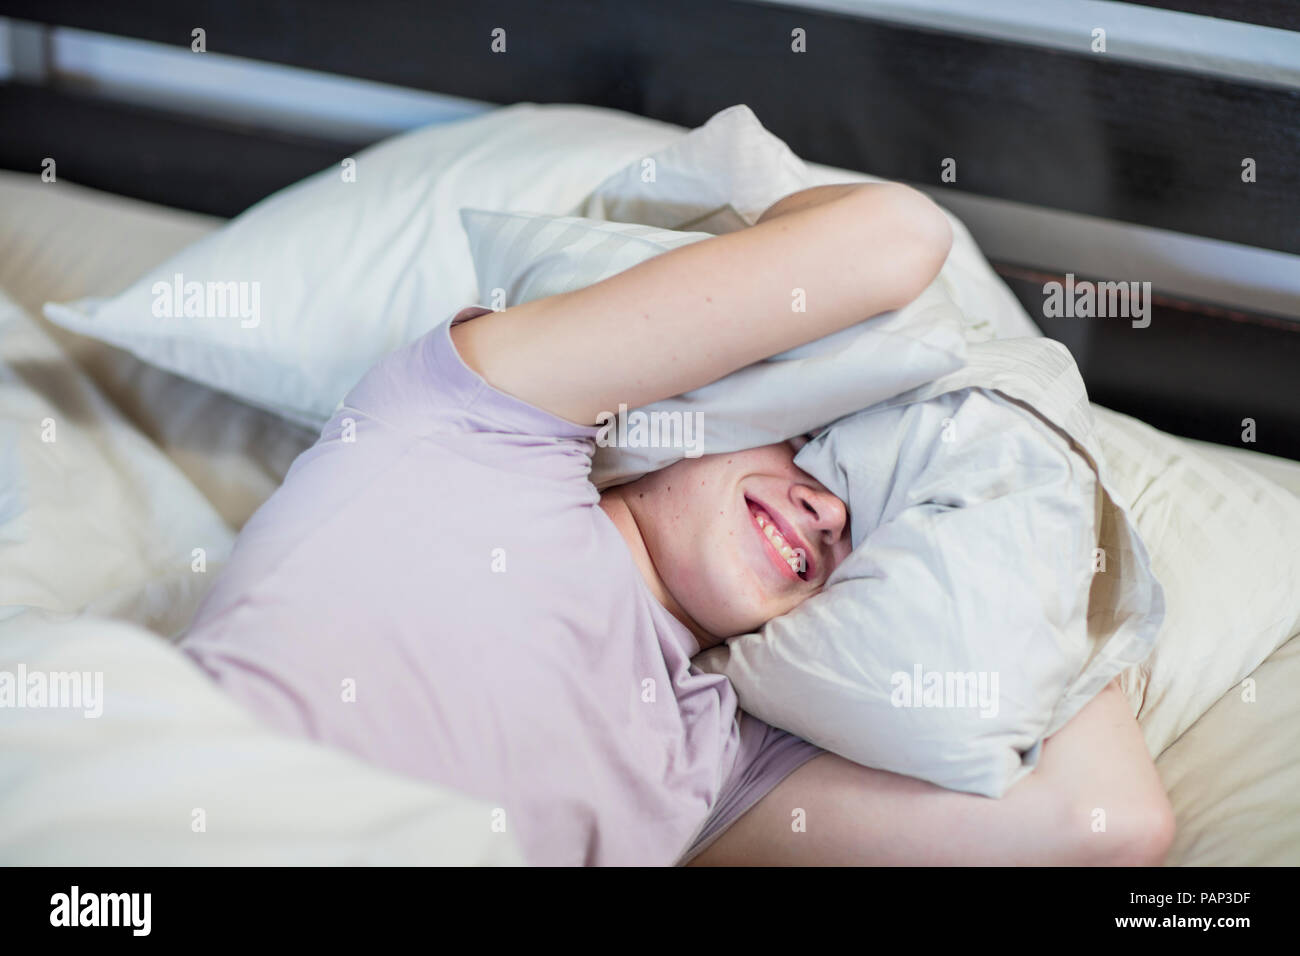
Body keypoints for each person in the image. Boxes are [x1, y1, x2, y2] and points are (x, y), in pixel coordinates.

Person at [180, 181, 1174, 865]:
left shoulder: (720, 764)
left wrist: (1024, 484)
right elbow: (893, 238)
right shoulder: (471, 425)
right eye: (812, 440)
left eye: (866, 526)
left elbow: (1107, 823)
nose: (830, 512)